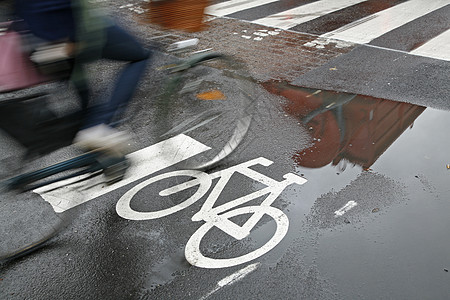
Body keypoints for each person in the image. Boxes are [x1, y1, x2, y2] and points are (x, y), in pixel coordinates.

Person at [13, 0, 151, 157]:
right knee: (140, 56)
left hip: (35, 41)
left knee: (79, 75)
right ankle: (99, 125)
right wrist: (73, 39)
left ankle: (93, 146)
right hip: (67, 31)